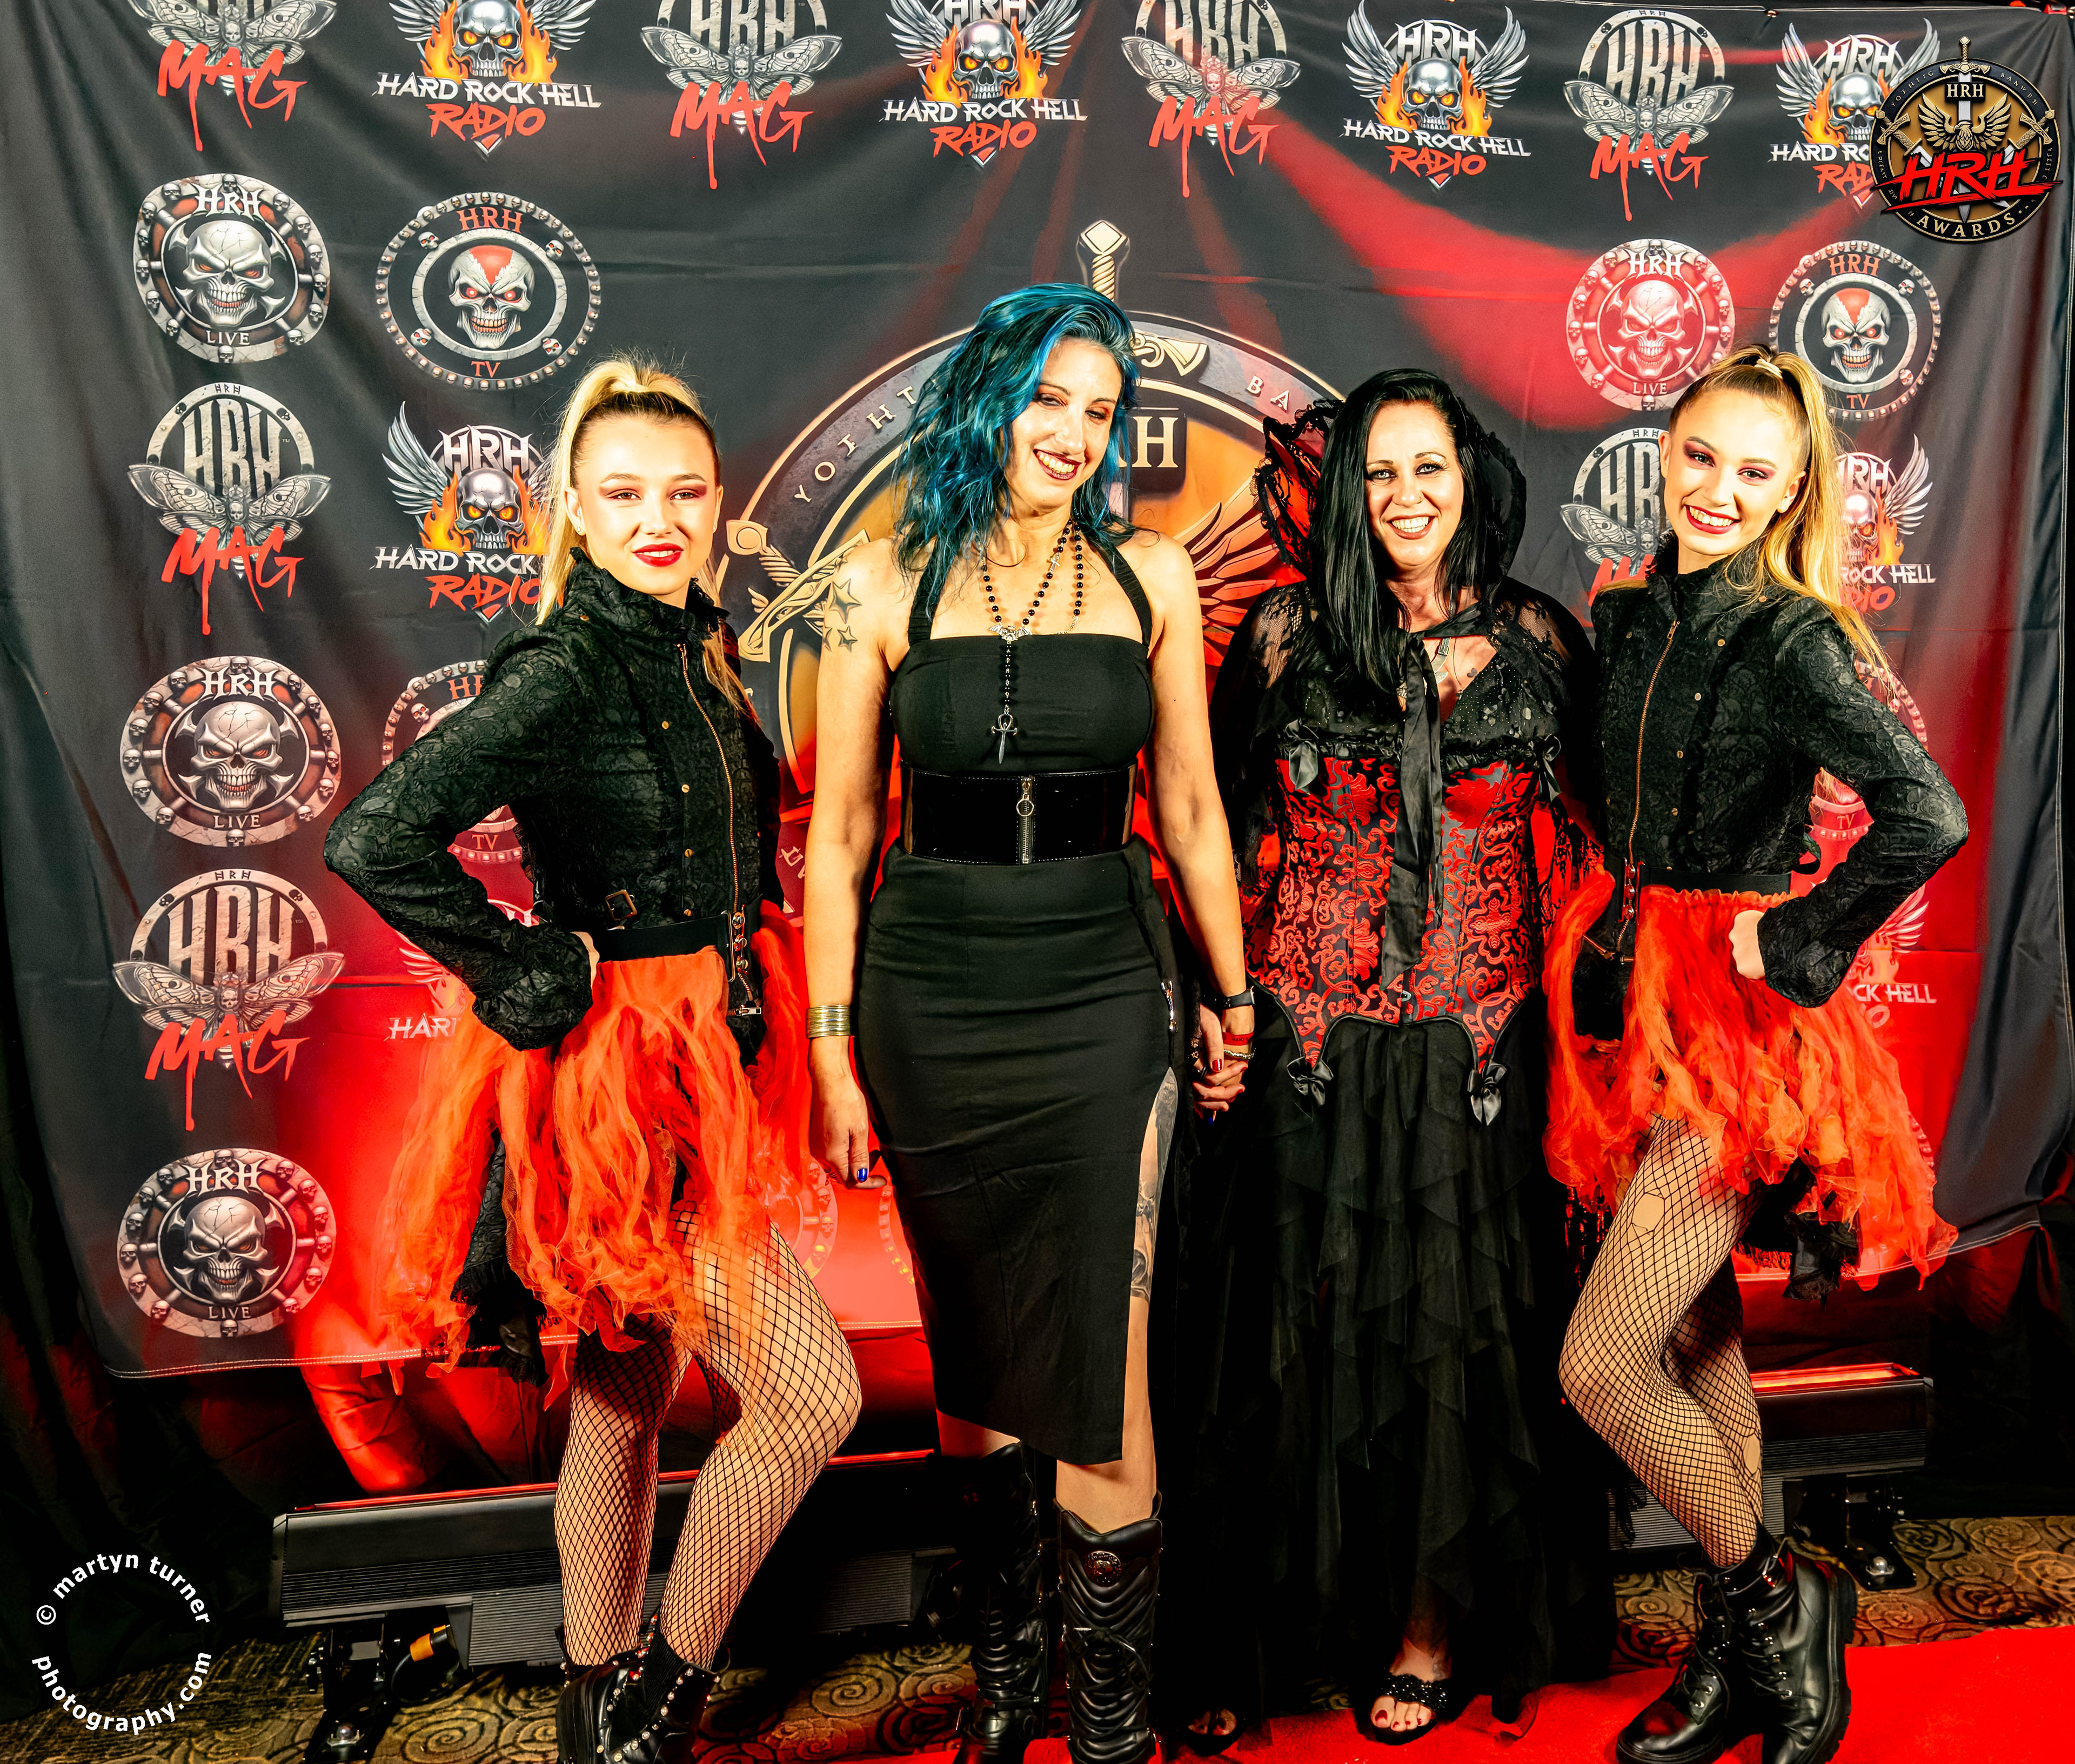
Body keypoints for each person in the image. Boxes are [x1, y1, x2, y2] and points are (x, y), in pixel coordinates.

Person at [325, 359, 861, 1764]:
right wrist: (520, 966)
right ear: (572, 504)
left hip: (706, 1065)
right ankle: (655, 1704)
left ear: (718, 500)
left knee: (624, 1397)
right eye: (623, 494)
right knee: (812, 1395)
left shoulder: (698, 648)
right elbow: (372, 835)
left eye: (684, 493)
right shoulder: (562, 668)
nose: (658, 520)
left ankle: (590, 1709)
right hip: (621, 1088)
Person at [802, 283, 1253, 1764]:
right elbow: (842, 834)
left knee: (1105, 1360)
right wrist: (830, 1048)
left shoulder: (1153, 575)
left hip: (1104, 980)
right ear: (988, 398)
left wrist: (1233, 990)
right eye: (1048, 399)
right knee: (974, 1350)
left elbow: (1190, 807)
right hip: (931, 993)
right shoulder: (880, 583)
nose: (1073, 433)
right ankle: (1009, 1689)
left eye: (1100, 411)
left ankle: (1109, 1730)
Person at [1166, 371, 1611, 1749]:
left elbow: (1607, 839)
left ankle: (1428, 1632)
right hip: (1307, 1043)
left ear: (1470, 478)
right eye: (1378, 471)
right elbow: (1211, 824)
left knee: (1447, 1344)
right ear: (1343, 493)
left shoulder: (1541, 639)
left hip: (1476, 1050)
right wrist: (1213, 1004)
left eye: (1430, 468)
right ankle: (1269, 1631)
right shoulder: (1283, 635)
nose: (1407, 496)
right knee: (1286, 1340)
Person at [1544, 345, 1965, 1764]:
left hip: (1739, 1032)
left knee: (1602, 1362)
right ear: (1666, 452)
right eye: (1702, 456)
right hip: (1629, 1011)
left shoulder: (1793, 638)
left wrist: (1798, 934)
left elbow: (1928, 810)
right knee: (1693, 1329)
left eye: (1754, 472)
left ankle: (1785, 1599)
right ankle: (1742, 1662)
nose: (1719, 489)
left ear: (1793, 493)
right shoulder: (1626, 610)